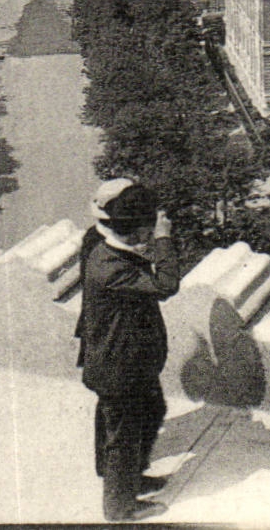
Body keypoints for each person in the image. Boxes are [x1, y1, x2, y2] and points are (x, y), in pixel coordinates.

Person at [78, 184, 179, 521]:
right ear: (139, 231)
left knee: (148, 412)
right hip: (119, 368)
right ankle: (119, 508)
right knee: (123, 435)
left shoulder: (109, 249)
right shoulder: (111, 267)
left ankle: (126, 476)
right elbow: (166, 285)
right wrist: (163, 240)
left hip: (127, 362)